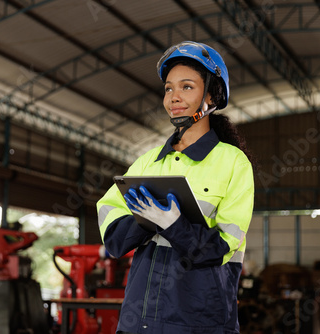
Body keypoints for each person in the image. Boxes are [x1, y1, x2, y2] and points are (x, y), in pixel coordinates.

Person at [97, 41, 255, 334]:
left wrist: (174, 225)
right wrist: (146, 223)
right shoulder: (146, 163)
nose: (174, 97)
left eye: (186, 87)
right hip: (138, 321)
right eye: (169, 88)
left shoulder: (234, 164)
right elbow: (115, 241)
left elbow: (221, 248)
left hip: (199, 322)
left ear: (212, 94)